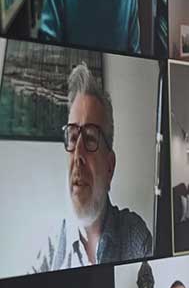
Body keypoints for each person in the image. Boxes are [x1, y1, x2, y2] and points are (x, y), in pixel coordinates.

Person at [32, 63, 152, 271]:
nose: (78, 155)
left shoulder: (135, 236)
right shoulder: (49, 250)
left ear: (110, 167)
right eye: (72, 136)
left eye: (89, 138)